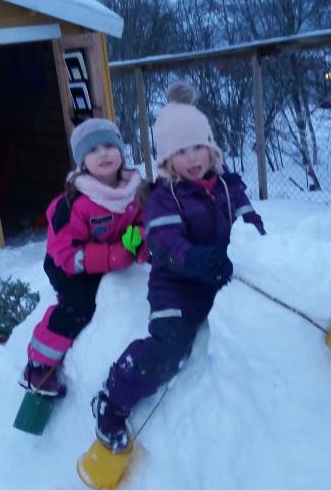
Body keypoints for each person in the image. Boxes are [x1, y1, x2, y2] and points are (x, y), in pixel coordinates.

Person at [92, 82, 265, 452]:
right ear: (168, 160)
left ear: (211, 147)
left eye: (197, 146)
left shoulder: (226, 186)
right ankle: (113, 399)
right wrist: (197, 259)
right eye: (180, 151)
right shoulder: (164, 197)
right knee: (171, 347)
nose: (192, 157)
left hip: (221, 277)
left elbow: (250, 221)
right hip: (178, 285)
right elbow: (164, 243)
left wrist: (263, 247)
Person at [19, 117, 147, 398]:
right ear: (82, 162)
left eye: (108, 146)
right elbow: (64, 253)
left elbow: (139, 224)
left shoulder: (132, 193)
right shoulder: (72, 203)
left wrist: (137, 244)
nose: (102, 153)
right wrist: (115, 256)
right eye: (92, 150)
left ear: (120, 152)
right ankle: (38, 366)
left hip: (107, 258)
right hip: (68, 266)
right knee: (79, 305)